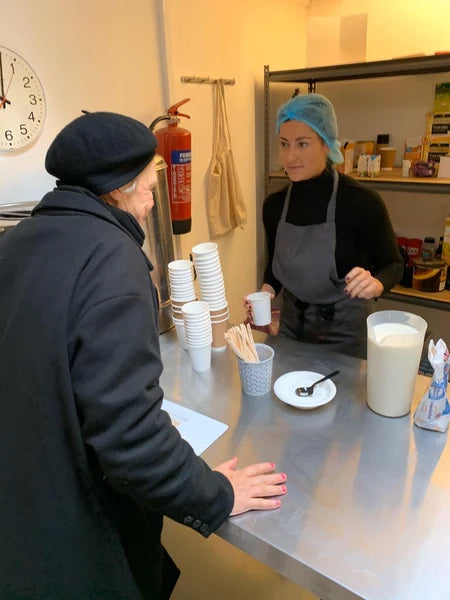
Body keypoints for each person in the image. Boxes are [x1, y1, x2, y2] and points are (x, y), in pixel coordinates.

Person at [0, 112, 287, 599]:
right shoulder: (112, 260)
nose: (153, 201)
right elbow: (131, 442)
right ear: (114, 190)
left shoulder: (13, 243)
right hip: (73, 544)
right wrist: (218, 494)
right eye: (148, 188)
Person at [245, 93, 403, 358]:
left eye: (302, 144)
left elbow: (394, 265)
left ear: (327, 145)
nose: (290, 156)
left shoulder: (361, 202)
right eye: (284, 144)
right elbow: (275, 264)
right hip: (292, 326)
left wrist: (376, 284)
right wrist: (265, 292)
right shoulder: (274, 205)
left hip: (346, 333)